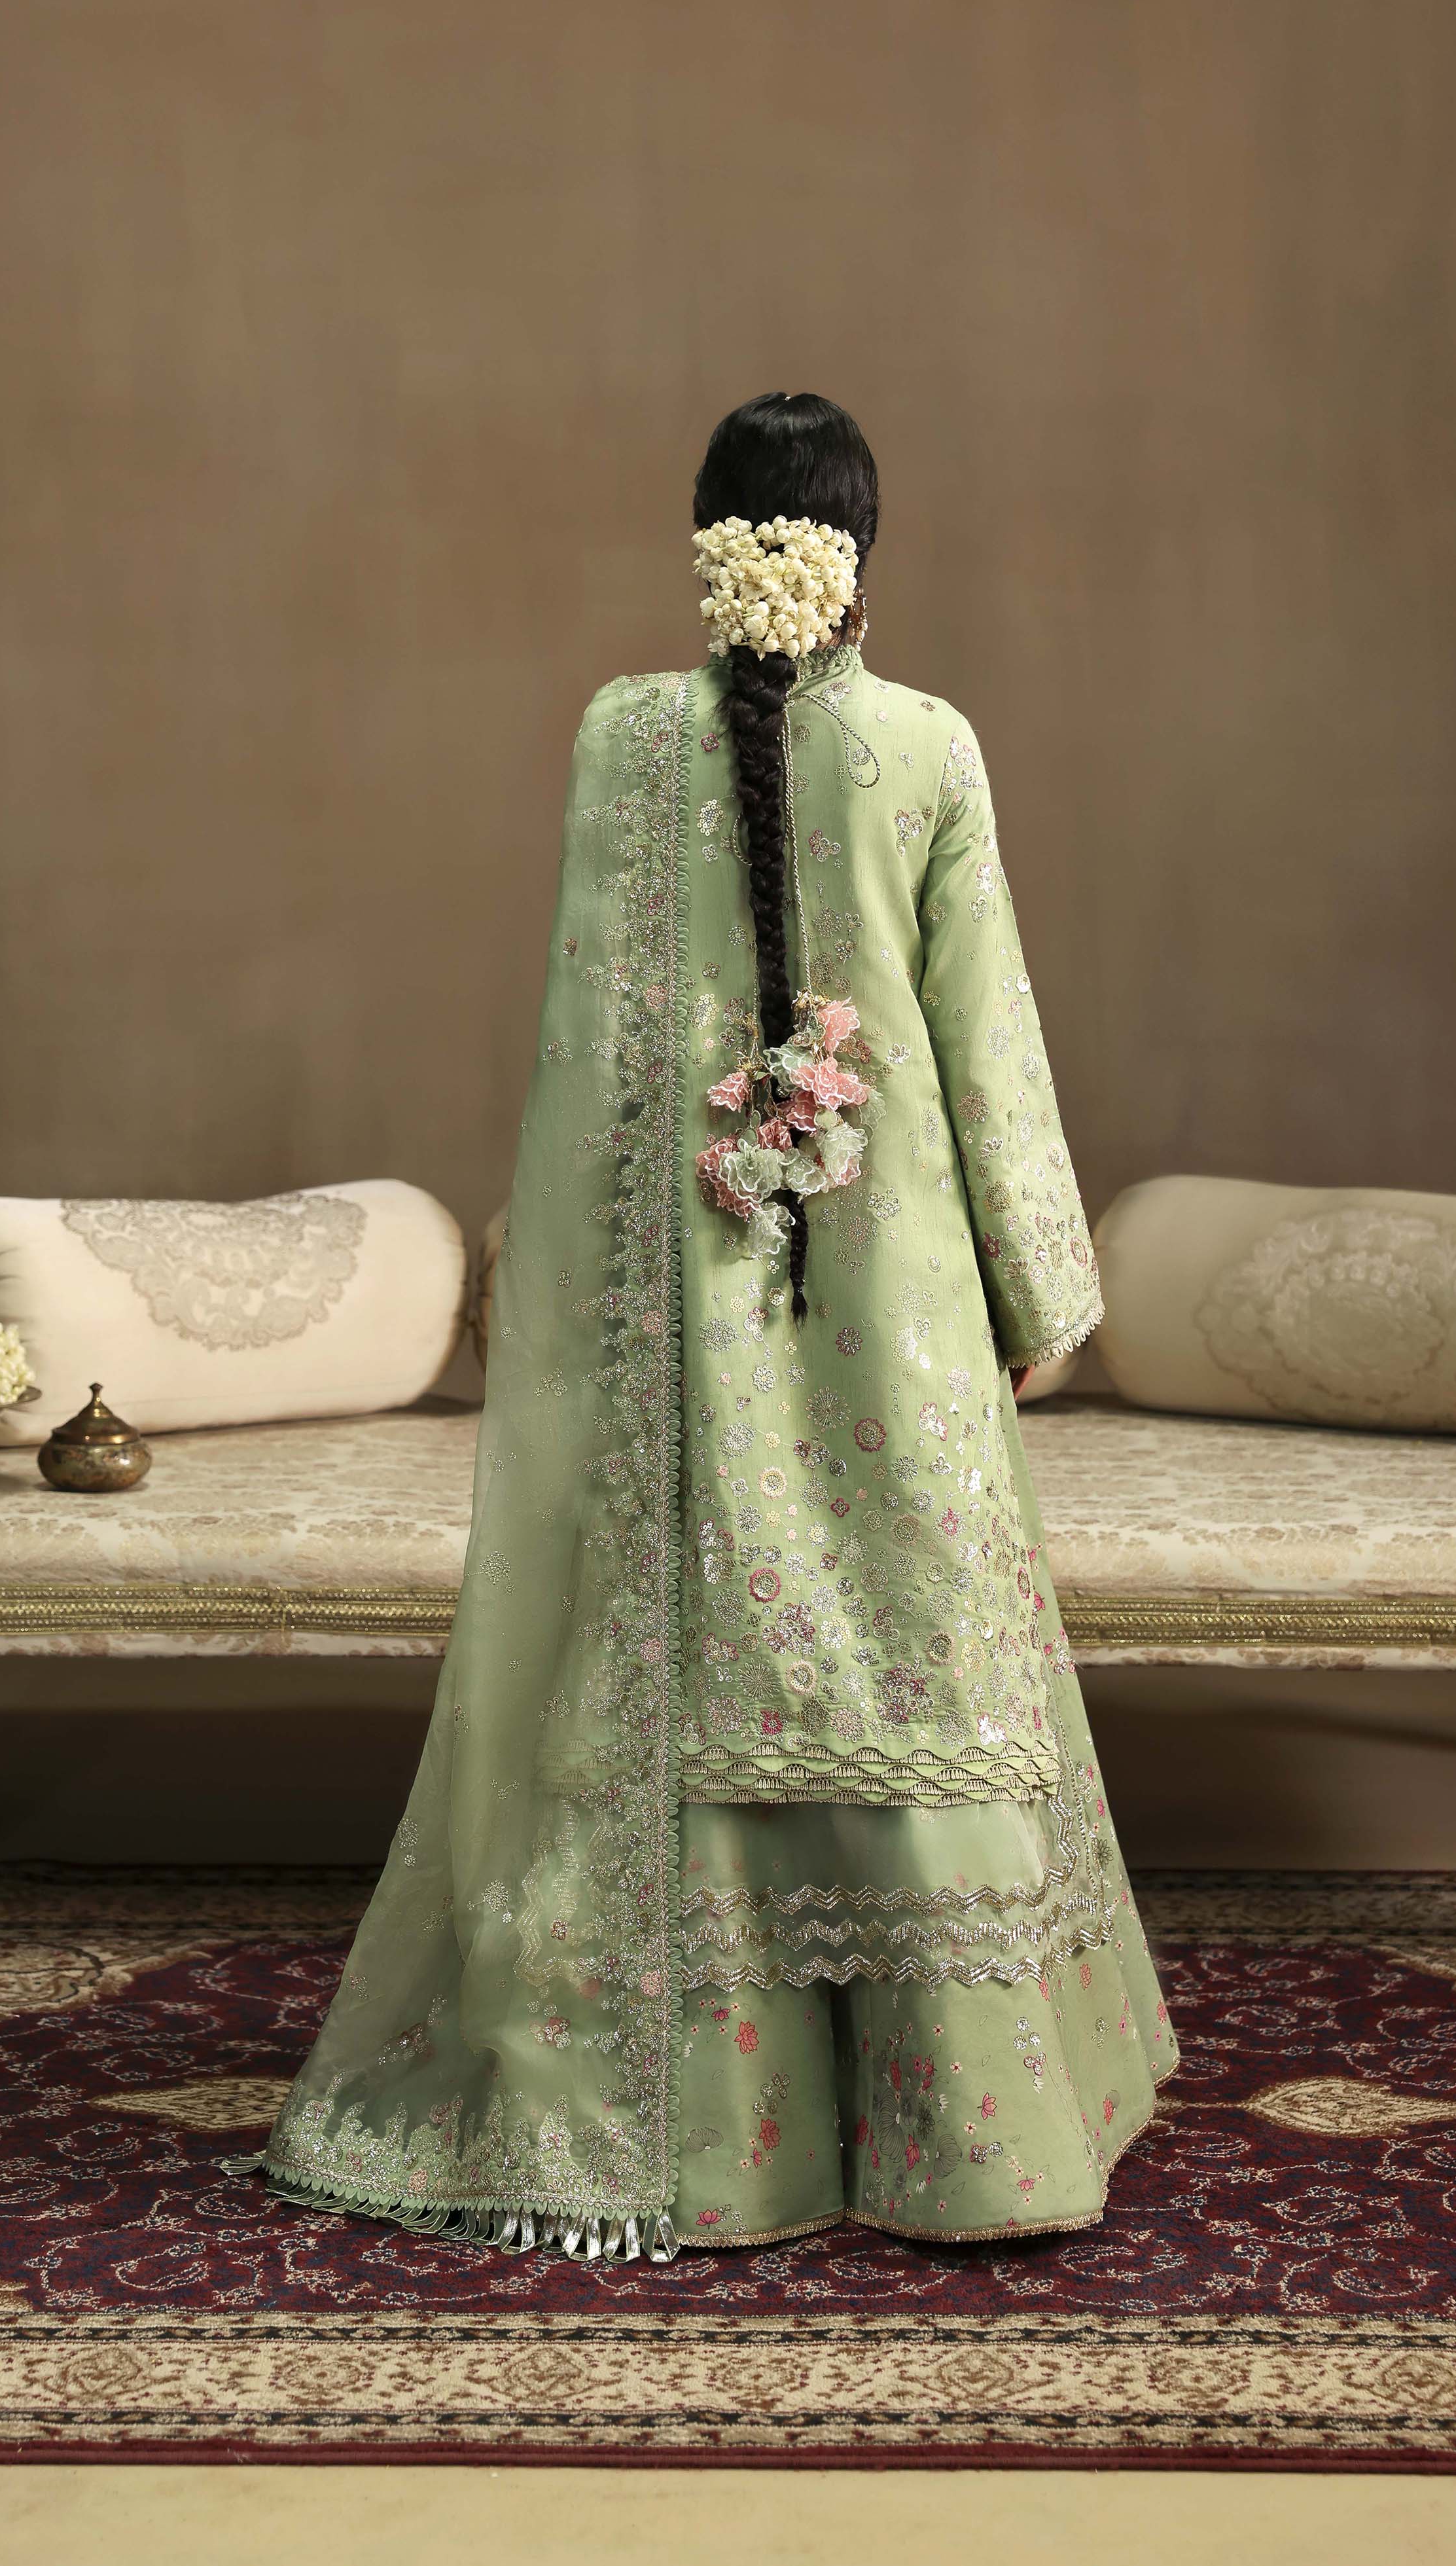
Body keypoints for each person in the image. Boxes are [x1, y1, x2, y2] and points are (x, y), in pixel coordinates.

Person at [241, 391, 1175, 2258]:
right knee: (918, 1648)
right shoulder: (928, 744)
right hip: (898, 1300)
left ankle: (718, 2134)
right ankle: (972, 2138)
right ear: (861, 556)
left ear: (708, 547)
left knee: (693, 1645)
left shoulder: (621, 736)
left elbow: (590, 1048)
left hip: (679, 1295)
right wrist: (1040, 1296)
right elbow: (985, 1036)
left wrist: (579, 1305)